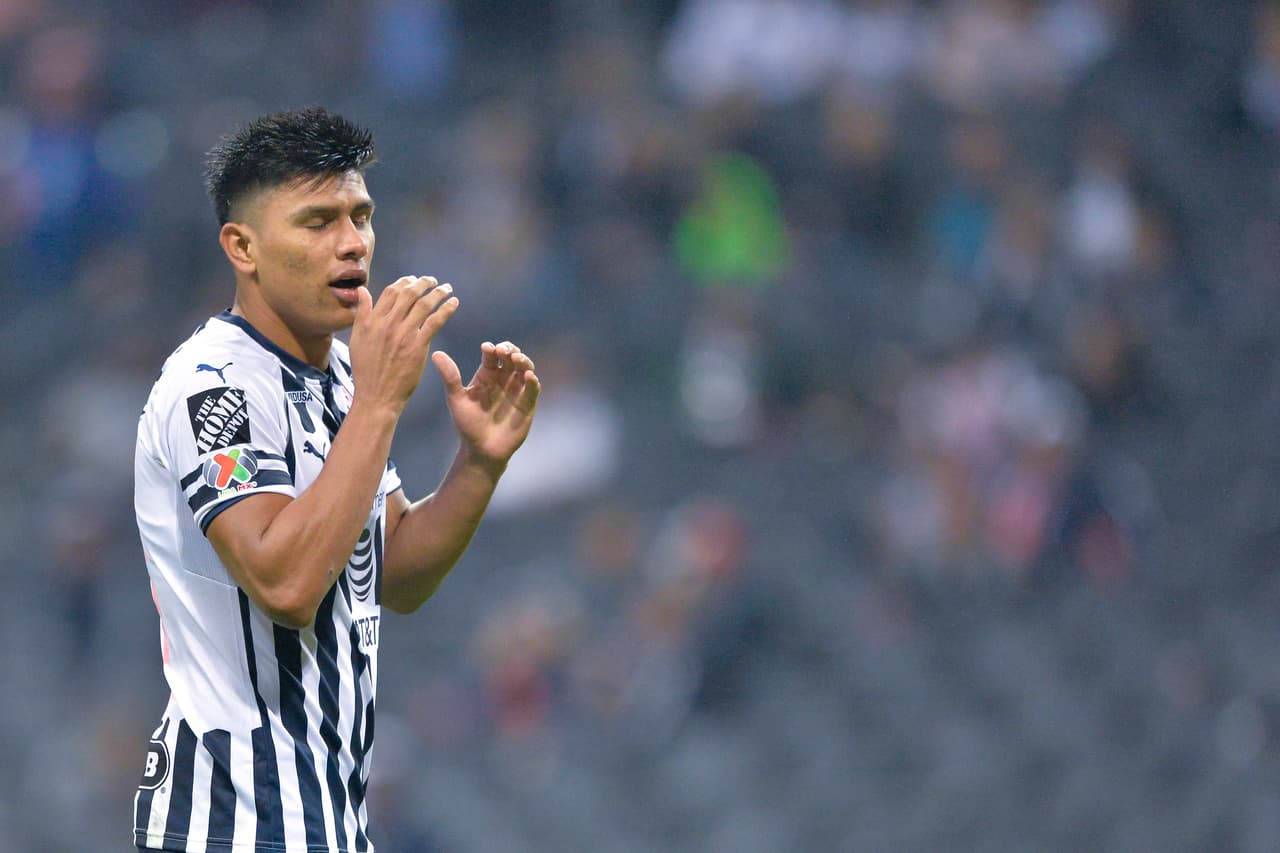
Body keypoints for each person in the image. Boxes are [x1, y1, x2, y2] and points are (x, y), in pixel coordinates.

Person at [131, 106, 540, 852]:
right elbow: (286, 585)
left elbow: (396, 575)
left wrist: (479, 462)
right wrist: (380, 403)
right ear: (243, 247)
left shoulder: (344, 377)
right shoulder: (213, 387)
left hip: (325, 817)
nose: (352, 242)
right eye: (317, 222)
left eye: (361, 216)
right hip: (232, 821)